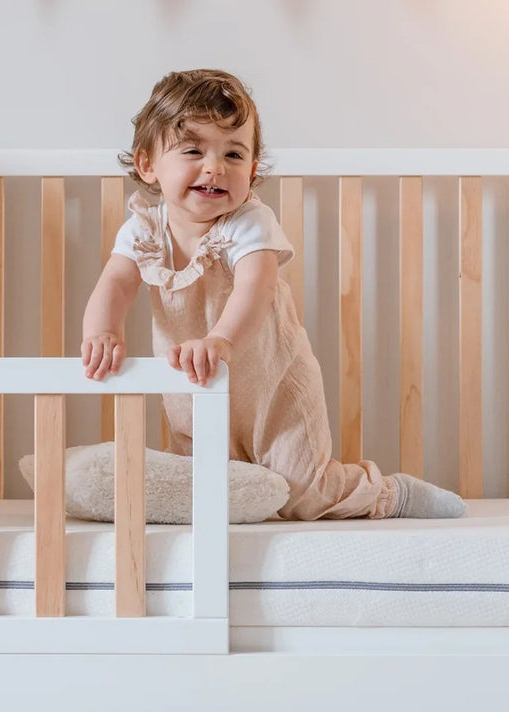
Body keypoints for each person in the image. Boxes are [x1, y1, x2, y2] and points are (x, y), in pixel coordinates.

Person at [80, 68, 465, 521]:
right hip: (196, 384)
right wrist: (103, 332)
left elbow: (255, 286)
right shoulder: (144, 230)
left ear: (252, 169)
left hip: (273, 385)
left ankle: (388, 494)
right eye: (193, 150)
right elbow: (116, 282)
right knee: (204, 481)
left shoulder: (247, 222)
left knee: (303, 491)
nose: (215, 167)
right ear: (148, 165)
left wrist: (221, 340)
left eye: (234, 154)